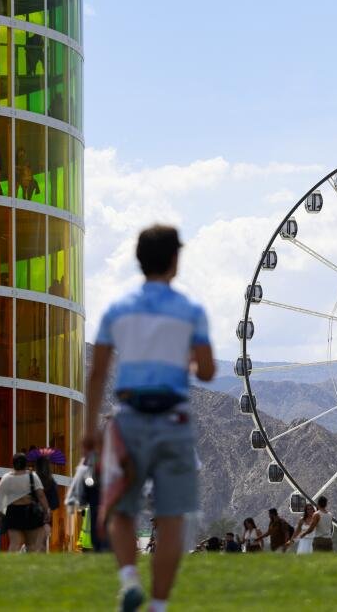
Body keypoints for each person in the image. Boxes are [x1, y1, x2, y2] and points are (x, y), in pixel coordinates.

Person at [82, 225, 215, 612]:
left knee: (120, 508)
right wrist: (188, 362)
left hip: (128, 420)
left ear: (139, 260)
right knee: (171, 517)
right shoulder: (191, 311)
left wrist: (88, 429)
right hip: (174, 420)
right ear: (175, 260)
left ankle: (129, 578)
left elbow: (98, 373)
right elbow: (207, 370)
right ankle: (158, 605)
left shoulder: (117, 309)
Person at [0, 452, 52, 552]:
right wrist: (47, 510)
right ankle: (31, 562)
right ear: (26, 463)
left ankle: (11, 562)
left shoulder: (6, 478)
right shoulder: (32, 476)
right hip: (29, 512)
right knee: (31, 544)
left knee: (15, 543)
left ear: (13, 464)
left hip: (13, 512)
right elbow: (41, 495)